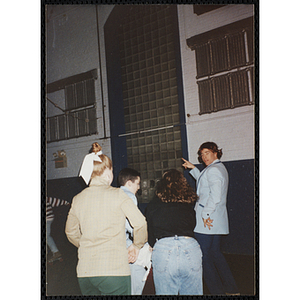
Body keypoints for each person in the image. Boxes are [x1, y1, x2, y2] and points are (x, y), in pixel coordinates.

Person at [65, 151, 147, 296]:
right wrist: (136, 245)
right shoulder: (118, 194)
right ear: (108, 172)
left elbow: (70, 232)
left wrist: (85, 245)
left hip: (85, 272)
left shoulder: (78, 199)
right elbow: (140, 223)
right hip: (114, 271)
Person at [182, 141, 239, 295]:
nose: (203, 157)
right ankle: (231, 289)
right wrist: (194, 169)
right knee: (215, 254)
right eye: (201, 154)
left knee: (204, 256)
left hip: (207, 220)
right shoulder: (217, 168)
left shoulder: (213, 170)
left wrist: (205, 214)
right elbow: (205, 182)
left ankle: (217, 291)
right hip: (216, 220)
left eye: (207, 152)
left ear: (215, 152)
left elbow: (215, 196)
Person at [145, 169, 203, 295]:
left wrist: (152, 244)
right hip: (190, 248)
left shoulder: (153, 205)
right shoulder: (188, 204)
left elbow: (150, 232)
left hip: (164, 249)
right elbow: (193, 225)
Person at [117, 168, 152, 295]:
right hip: (126, 243)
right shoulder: (130, 196)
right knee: (139, 277)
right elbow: (132, 225)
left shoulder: (115, 193)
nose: (139, 187)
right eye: (137, 183)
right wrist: (145, 243)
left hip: (116, 243)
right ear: (129, 183)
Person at [46, 196, 69, 262]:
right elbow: (55, 201)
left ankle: (56, 252)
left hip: (47, 218)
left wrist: (66, 202)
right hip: (49, 218)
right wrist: (66, 202)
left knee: (46, 236)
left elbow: (55, 201)